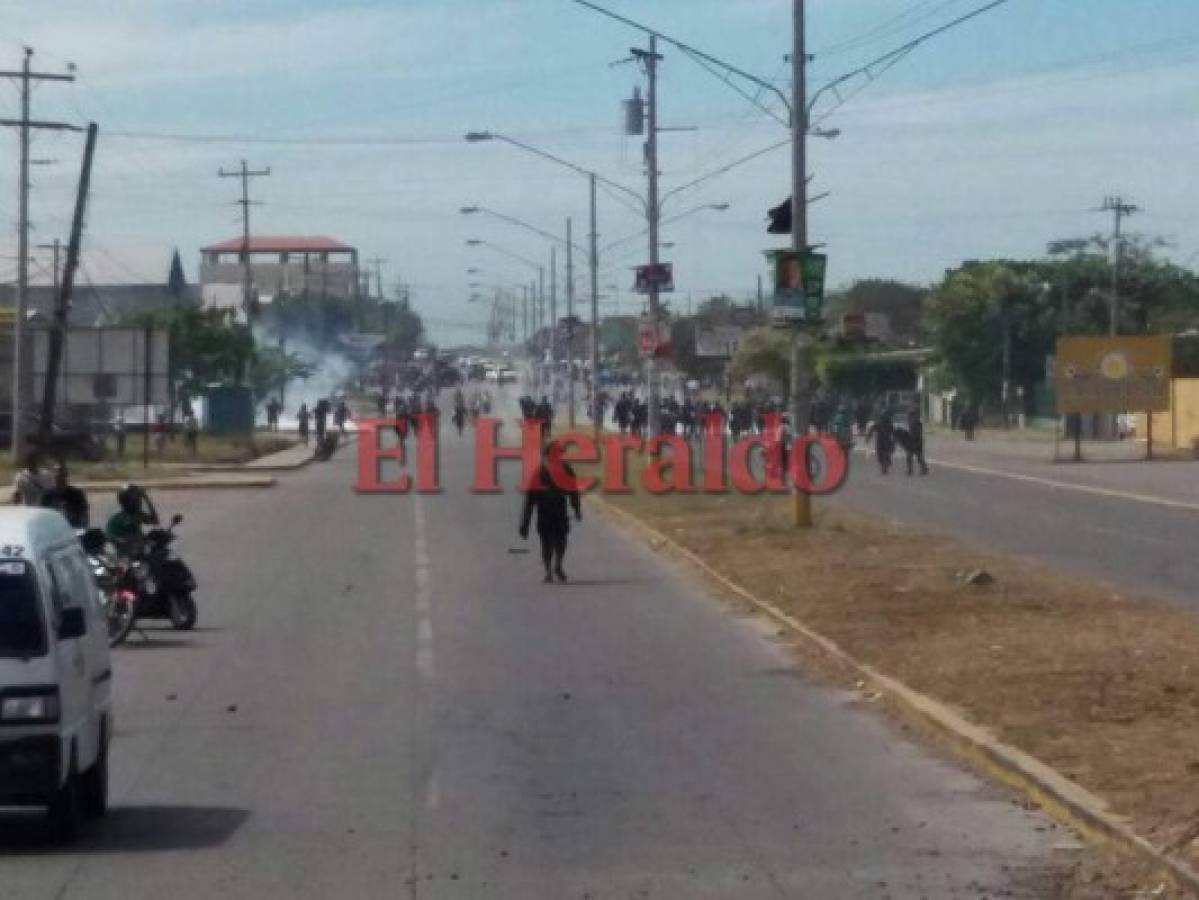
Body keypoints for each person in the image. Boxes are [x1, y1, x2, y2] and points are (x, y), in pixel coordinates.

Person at [518, 441, 582, 584]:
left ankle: (552, 568)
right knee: (558, 540)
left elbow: (529, 501)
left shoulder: (542, 471)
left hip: (548, 512)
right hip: (555, 510)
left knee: (549, 542)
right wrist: (576, 509)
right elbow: (573, 492)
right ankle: (555, 566)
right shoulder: (559, 469)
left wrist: (525, 524)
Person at [106, 485, 156, 559]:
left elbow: (154, 520)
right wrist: (126, 542)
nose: (140, 503)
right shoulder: (117, 519)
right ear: (129, 502)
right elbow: (110, 537)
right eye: (137, 500)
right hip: (127, 559)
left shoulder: (138, 515)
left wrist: (146, 499)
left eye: (139, 499)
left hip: (140, 555)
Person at [42, 463, 89, 529]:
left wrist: (83, 530)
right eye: (57, 474)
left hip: (73, 530)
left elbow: (84, 515)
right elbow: (43, 517)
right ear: (53, 476)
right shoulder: (47, 495)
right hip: (53, 531)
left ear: (66, 476)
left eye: (62, 475)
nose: (59, 477)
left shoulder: (77, 494)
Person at [904, 408, 929, 476]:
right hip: (917, 441)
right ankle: (923, 468)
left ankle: (911, 470)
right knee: (918, 456)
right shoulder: (915, 422)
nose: (908, 417)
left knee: (911, 456)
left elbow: (915, 433)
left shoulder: (915, 422)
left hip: (915, 441)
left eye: (909, 415)